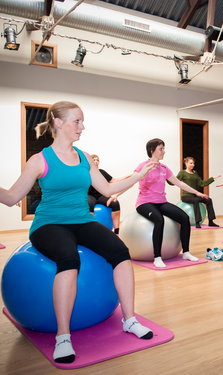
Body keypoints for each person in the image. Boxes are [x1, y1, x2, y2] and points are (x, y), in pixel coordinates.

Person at [0, 101, 155, 364]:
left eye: (82, 121)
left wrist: (139, 175)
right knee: (69, 259)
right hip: (49, 224)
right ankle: (63, 336)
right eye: (77, 121)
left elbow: (106, 189)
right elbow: (12, 196)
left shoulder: (82, 157)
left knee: (120, 251)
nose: (82, 127)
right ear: (58, 123)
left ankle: (129, 319)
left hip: (82, 220)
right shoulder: (40, 160)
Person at [135, 138, 209, 268]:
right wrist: (116, 194)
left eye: (164, 148)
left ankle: (186, 252)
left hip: (161, 202)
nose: (164, 151)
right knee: (159, 220)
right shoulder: (143, 166)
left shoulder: (164, 168)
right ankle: (157, 257)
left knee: (184, 218)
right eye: (161, 149)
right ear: (152, 150)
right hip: (144, 203)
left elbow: (179, 183)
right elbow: (131, 180)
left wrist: (197, 193)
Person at [176, 156, 220, 228]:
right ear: (186, 163)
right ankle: (197, 222)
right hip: (186, 196)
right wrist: (167, 178)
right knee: (196, 200)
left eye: (193, 163)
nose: (193, 165)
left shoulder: (195, 173)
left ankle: (211, 221)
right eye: (191, 163)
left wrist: (212, 179)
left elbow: (202, 183)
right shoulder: (182, 173)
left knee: (208, 200)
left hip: (195, 196)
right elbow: (174, 181)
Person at [88, 154, 127, 234]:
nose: (96, 162)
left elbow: (114, 180)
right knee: (88, 205)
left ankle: (116, 232)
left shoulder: (101, 172)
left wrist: (130, 176)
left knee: (115, 203)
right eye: (94, 160)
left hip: (101, 195)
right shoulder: (86, 172)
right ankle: (91, 232)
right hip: (90, 196)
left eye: (97, 160)